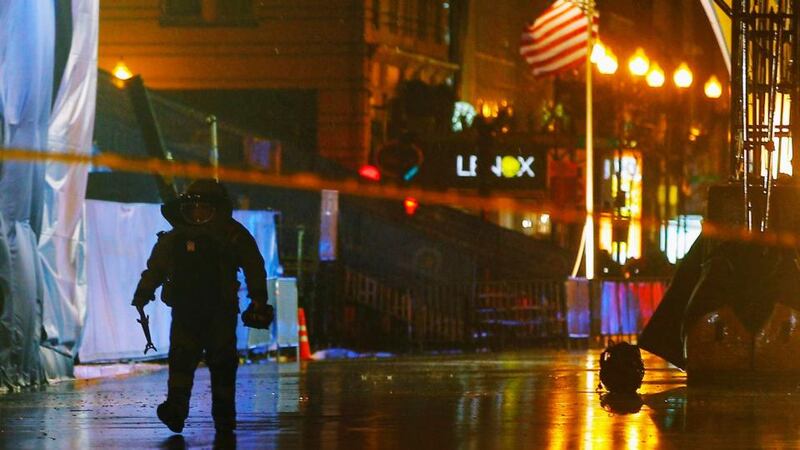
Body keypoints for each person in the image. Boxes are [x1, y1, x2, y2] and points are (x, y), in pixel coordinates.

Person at [132, 179, 273, 434]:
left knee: (222, 363)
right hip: (187, 311)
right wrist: (143, 293)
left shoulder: (231, 235)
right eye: (193, 208)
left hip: (220, 311)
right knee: (181, 361)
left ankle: (223, 416)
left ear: (216, 209)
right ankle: (177, 410)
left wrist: (259, 297)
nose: (197, 213)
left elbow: (254, 266)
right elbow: (156, 268)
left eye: (204, 208)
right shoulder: (179, 238)